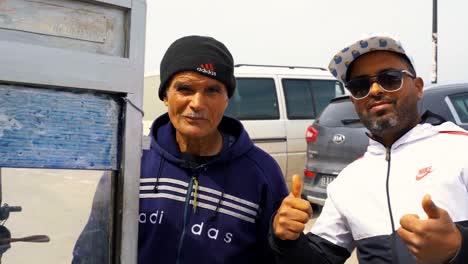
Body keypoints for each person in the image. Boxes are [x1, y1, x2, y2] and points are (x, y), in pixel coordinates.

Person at [73, 35, 288, 263]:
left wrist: (287, 242)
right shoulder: (132, 163)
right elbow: (93, 250)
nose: (197, 103)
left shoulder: (262, 173)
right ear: (165, 96)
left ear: (227, 99)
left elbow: (276, 257)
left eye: (212, 91)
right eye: (185, 89)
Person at [269, 34, 468, 264]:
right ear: (354, 101)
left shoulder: (460, 148)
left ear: (418, 87)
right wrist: (284, 238)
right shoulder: (349, 181)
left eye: (390, 78)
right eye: (360, 86)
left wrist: (459, 247)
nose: (374, 90)